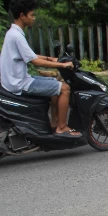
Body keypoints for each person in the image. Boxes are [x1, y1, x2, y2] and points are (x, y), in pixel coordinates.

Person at [0, 0, 80, 137]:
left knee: (54, 84)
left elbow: (29, 55)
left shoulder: (13, 33)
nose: (34, 18)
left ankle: (54, 123)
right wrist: (62, 65)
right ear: (22, 15)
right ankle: (62, 127)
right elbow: (35, 61)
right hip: (19, 83)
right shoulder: (17, 36)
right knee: (65, 88)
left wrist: (51, 59)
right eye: (32, 15)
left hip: (15, 80)